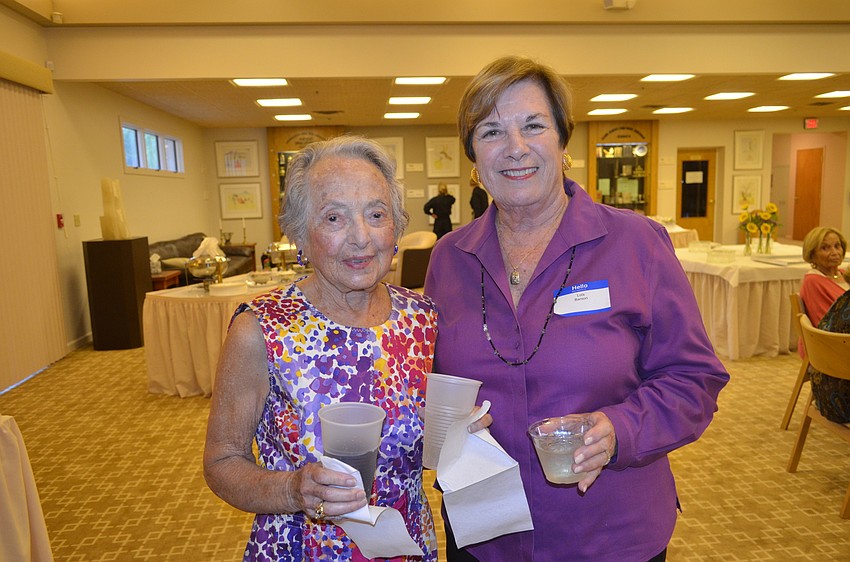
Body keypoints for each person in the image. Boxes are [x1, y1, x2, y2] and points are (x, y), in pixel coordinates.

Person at [424, 55, 729, 562]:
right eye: (492, 131)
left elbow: (693, 378)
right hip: (485, 533)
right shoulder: (448, 259)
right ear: (473, 159)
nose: (515, 148)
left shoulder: (636, 244)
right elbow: (430, 380)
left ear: (563, 142)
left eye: (534, 126)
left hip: (611, 532)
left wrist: (622, 429)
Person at [204, 136, 438, 561]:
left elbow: (429, 448)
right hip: (302, 548)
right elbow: (222, 461)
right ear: (300, 236)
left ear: (397, 227)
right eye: (334, 218)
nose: (361, 238)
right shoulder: (261, 329)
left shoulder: (422, 318)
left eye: (377, 214)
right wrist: (292, 489)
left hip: (405, 546)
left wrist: (463, 433)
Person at [799, 226, 849, 326]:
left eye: (837, 246)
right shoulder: (813, 281)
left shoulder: (844, 274)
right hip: (834, 339)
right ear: (812, 254)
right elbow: (826, 324)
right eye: (825, 248)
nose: (835, 253)